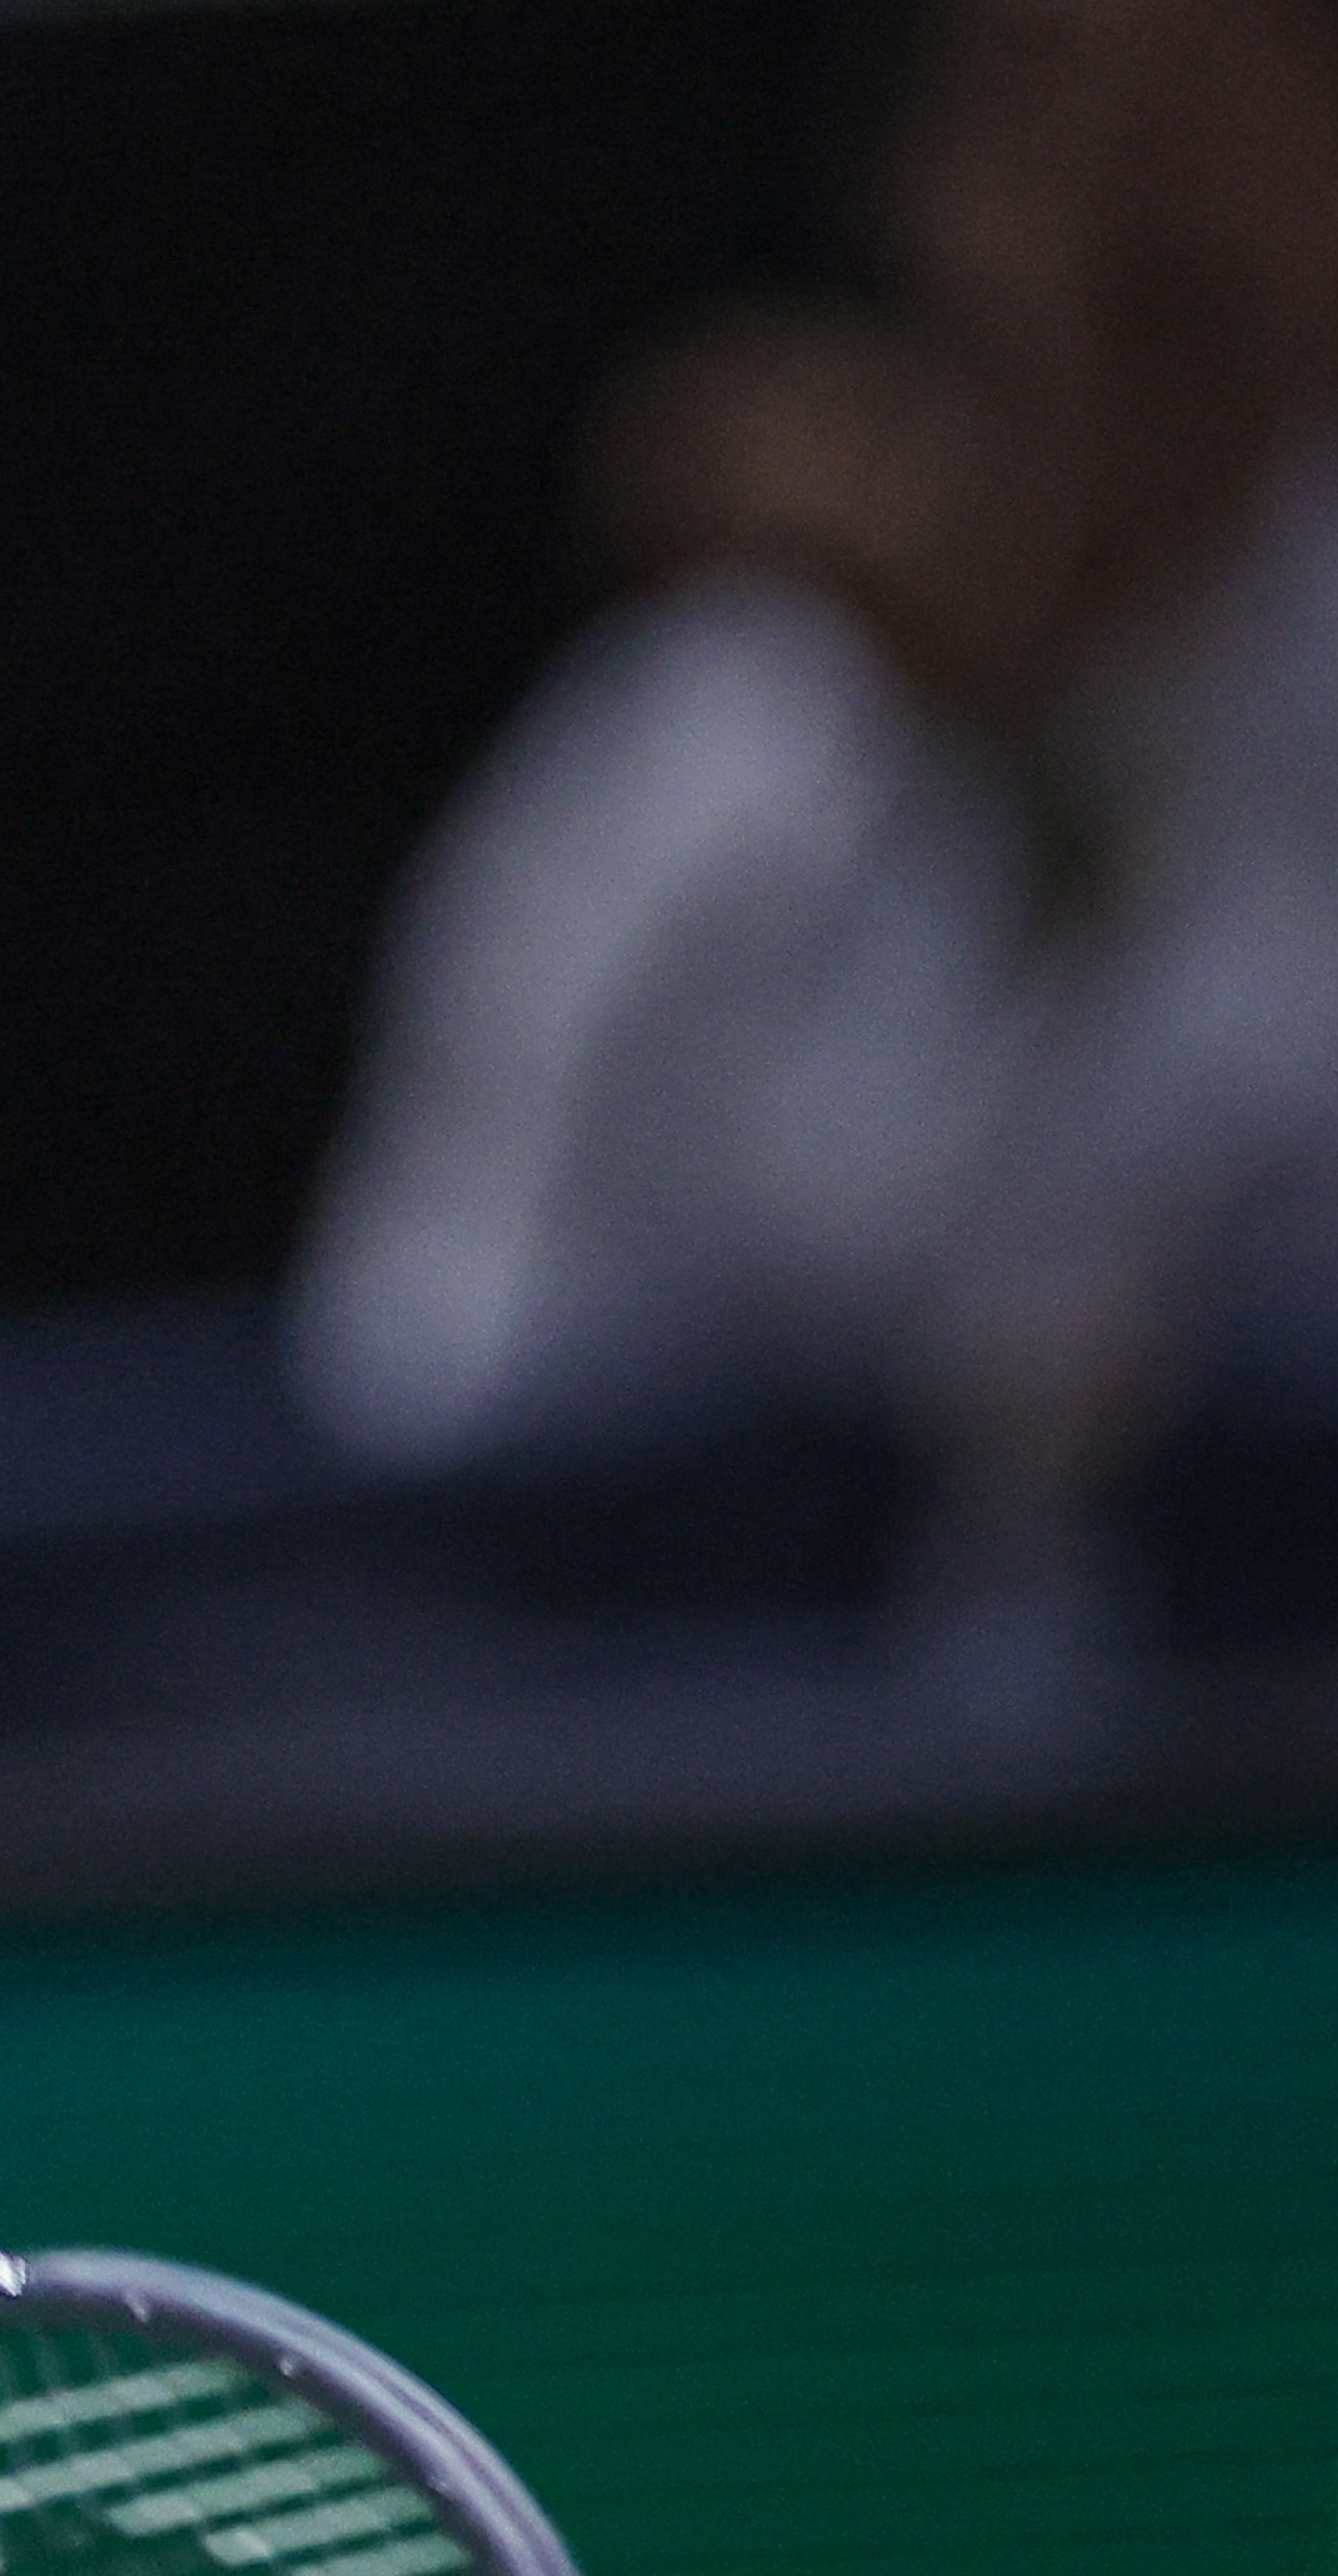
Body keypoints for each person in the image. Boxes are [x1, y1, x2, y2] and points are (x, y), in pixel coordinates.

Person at [290, 0, 1338, 1693]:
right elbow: (421, 1401)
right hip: (773, 1855)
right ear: (923, 186)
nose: (1146, 200)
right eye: (1053, 99)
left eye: (1226, 98)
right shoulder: (693, 762)